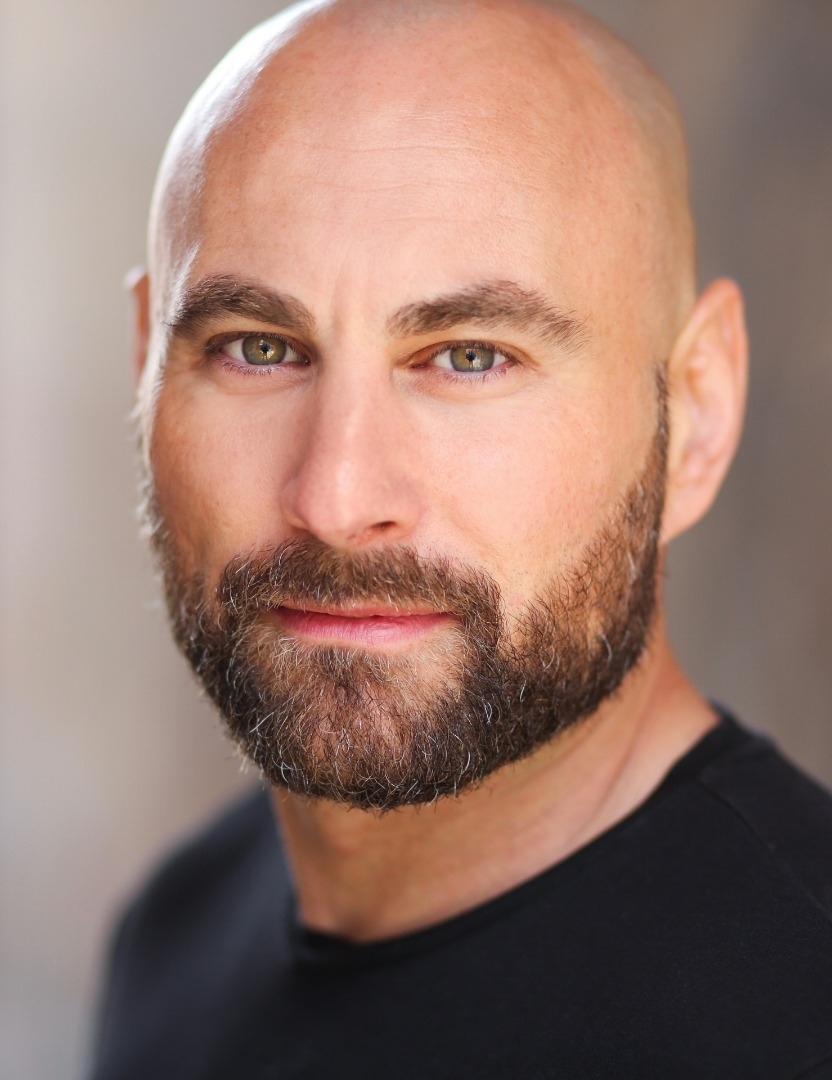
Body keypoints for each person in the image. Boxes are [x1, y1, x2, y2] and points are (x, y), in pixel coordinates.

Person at [89, 1, 832, 1076]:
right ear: (145, 369)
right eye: (258, 348)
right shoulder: (176, 936)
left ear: (697, 413)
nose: (336, 497)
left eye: (469, 357)